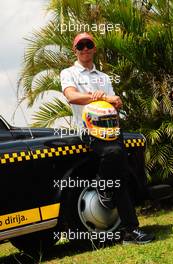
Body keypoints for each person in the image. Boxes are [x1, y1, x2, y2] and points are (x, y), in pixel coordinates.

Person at [60, 32, 154, 244]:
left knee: (119, 176)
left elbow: (113, 102)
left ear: (94, 48)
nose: (85, 48)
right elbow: (72, 96)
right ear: (75, 50)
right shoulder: (68, 72)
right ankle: (103, 186)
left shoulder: (103, 77)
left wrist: (116, 102)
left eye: (88, 44)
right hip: (89, 131)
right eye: (80, 45)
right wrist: (102, 97)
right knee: (115, 153)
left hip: (112, 127)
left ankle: (130, 230)